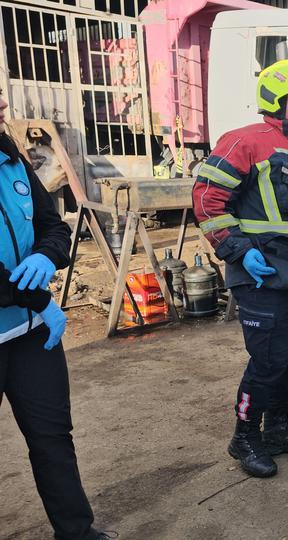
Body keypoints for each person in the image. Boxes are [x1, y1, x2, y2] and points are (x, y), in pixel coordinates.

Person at [193, 60, 288, 478]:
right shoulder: (246, 141)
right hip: (260, 273)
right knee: (268, 360)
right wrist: (237, 250)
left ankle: (277, 428)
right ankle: (244, 436)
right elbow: (207, 199)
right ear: (276, 99)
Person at [0, 91, 110, 539]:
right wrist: (39, 301)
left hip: (30, 334)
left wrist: (47, 254)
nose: (1, 105)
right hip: (31, 313)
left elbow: (53, 225)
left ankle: (76, 532)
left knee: (52, 437)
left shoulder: (12, 162)